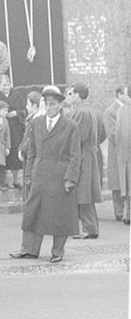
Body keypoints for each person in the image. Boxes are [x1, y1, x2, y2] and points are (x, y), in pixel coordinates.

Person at [10, 86, 80, 264]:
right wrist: (28, 174)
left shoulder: (70, 126)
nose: (49, 108)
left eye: (53, 104)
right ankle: (29, 249)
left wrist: (70, 178)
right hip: (39, 174)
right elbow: (31, 151)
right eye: (46, 104)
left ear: (60, 106)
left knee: (60, 215)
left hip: (60, 176)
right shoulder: (36, 123)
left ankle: (58, 251)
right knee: (33, 212)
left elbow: (75, 156)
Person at [64, 83, 104, 239]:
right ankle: (90, 228)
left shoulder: (82, 112)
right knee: (84, 194)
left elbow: (78, 136)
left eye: (70, 94)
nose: (68, 97)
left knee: (83, 194)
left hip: (83, 158)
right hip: (86, 156)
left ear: (78, 96)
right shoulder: (85, 110)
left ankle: (89, 229)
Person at [104, 86, 130, 220]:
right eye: (126, 94)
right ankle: (119, 212)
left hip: (127, 151)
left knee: (126, 180)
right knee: (117, 183)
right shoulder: (110, 111)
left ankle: (127, 211)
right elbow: (112, 133)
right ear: (119, 95)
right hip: (117, 151)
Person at [0, 75, 26, 188]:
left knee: (14, 154)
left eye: (8, 85)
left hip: (15, 128)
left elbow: (24, 109)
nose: (7, 87)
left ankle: (16, 180)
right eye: (4, 85)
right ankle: (1, 181)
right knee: (2, 154)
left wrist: (16, 113)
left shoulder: (16, 94)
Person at [114, 96, 131, 225]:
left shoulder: (121, 111)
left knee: (127, 182)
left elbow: (117, 134)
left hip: (124, 152)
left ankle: (126, 213)